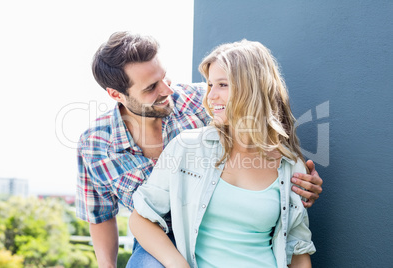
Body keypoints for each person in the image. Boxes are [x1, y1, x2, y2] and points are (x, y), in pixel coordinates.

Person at [76, 32, 322, 267]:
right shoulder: (95, 144)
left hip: (221, 219)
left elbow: (255, 110)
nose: (167, 90)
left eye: (164, 77)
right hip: (158, 231)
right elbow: (100, 216)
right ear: (116, 94)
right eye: (151, 88)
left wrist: (299, 181)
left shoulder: (202, 99)